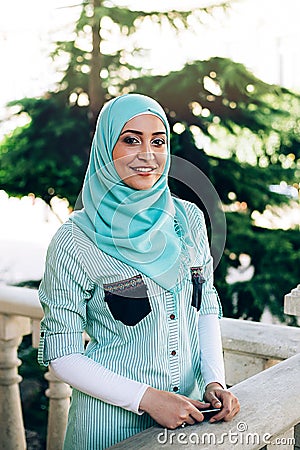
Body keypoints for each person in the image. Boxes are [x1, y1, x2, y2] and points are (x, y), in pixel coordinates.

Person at [38, 93, 240, 449]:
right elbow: (62, 354)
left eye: (158, 141)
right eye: (131, 140)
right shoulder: (74, 240)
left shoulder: (189, 218)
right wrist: (148, 398)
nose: (147, 155)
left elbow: (204, 305)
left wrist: (215, 383)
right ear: (105, 148)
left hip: (189, 421)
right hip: (109, 429)